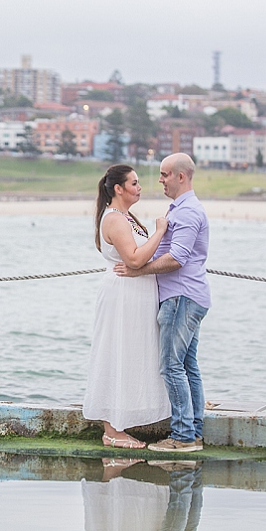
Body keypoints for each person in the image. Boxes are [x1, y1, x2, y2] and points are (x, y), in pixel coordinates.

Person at [115, 152, 211, 453]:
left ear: (181, 176)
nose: (160, 180)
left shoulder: (186, 213)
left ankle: (182, 437)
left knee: (171, 366)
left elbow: (177, 259)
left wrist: (136, 270)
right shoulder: (181, 209)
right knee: (187, 365)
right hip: (188, 295)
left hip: (181, 296)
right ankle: (193, 431)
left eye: (164, 174)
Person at [83, 164, 172, 449]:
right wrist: (159, 231)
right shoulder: (114, 219)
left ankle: (122, 419)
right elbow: (134, 260)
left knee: (133, 354)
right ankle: (111, 429)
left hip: (135, 295)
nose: (140, 187)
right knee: (116, 353)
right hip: (122, 295)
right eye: (134, 183)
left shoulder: (126, 217)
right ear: (118, 188)